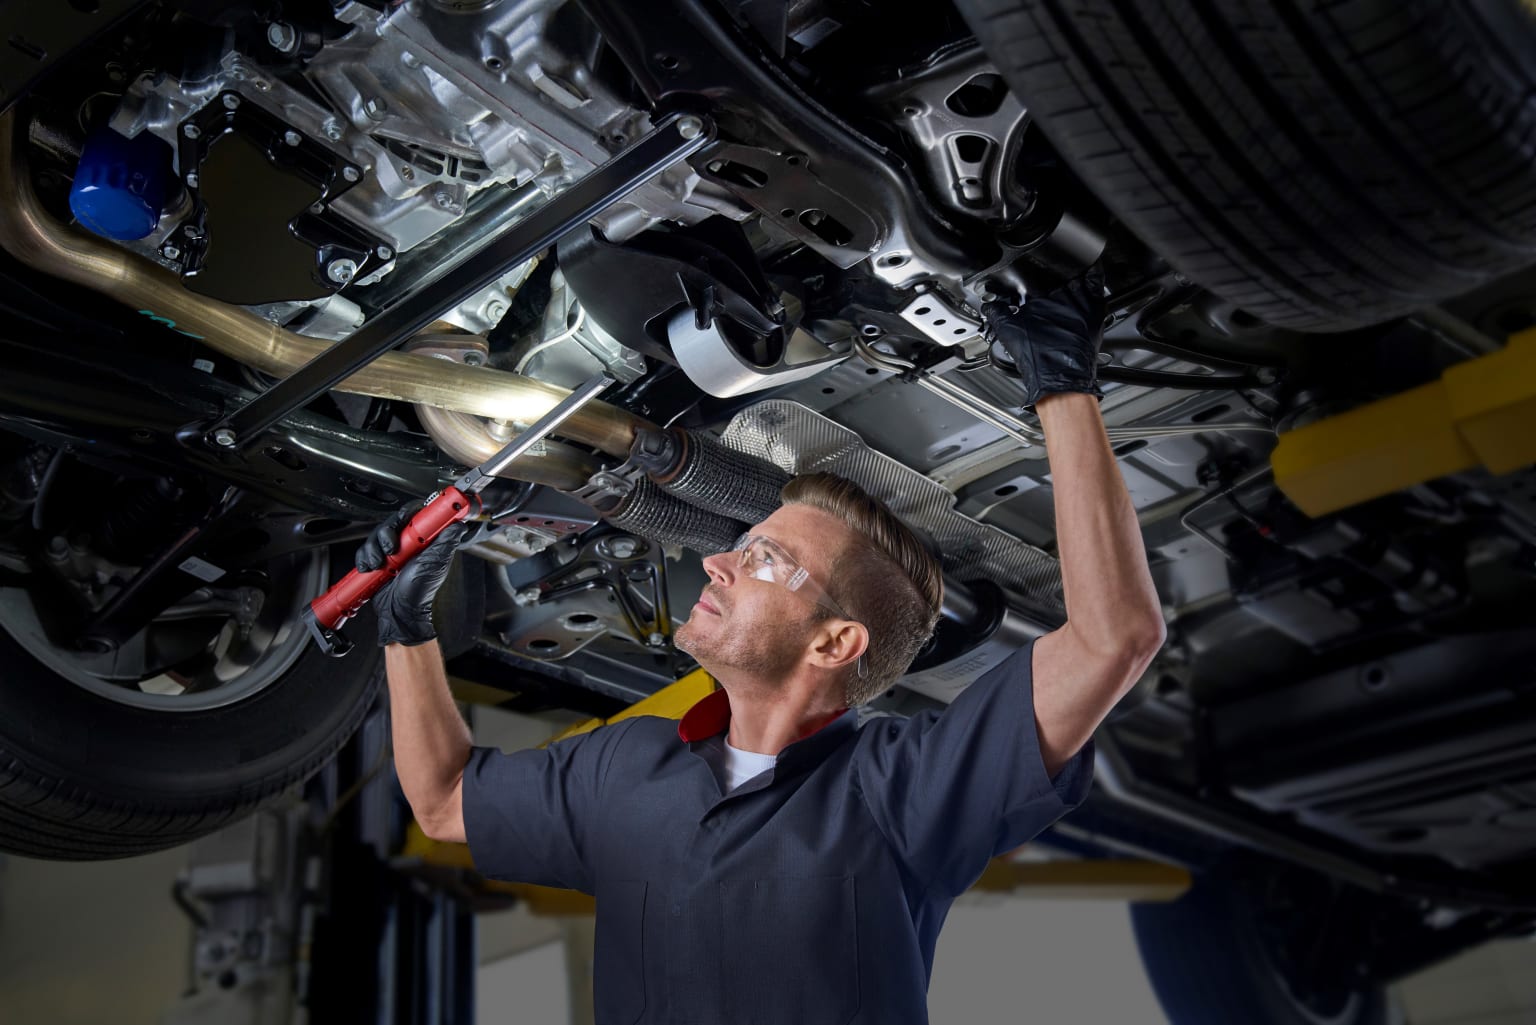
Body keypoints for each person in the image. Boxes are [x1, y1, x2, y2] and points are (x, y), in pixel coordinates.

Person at [363, 264, 1166, 1024]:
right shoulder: (625, 770)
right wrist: (404, 626)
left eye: (763, 560)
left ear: (835, 642)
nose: (714, 560)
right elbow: (443, 800)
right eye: (743, 546)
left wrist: (1062, 382)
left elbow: (1114, 636)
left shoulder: (901, 792)